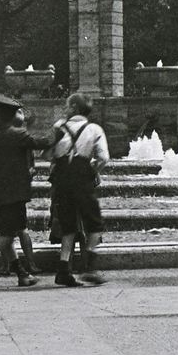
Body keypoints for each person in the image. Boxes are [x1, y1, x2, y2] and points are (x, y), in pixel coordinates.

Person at [0, 93, 55, 288]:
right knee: (8, 235)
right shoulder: (17, 134)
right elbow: (43, 143)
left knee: (6, 233)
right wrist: (61, 129)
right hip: (14, 194)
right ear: (12, 116)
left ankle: (21, 274)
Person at [49, 91, 109, 286]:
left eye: (67, 106)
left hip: (62, 177)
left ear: (74, 108)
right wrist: (91, 171)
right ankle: (89, 267)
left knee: (68, 225)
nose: (65, 109)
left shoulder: (59, 126)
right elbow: (103, 158)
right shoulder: (94, 129)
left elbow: (46, 153)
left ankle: (63, 270)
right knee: (95, 222)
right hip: (82, 175)